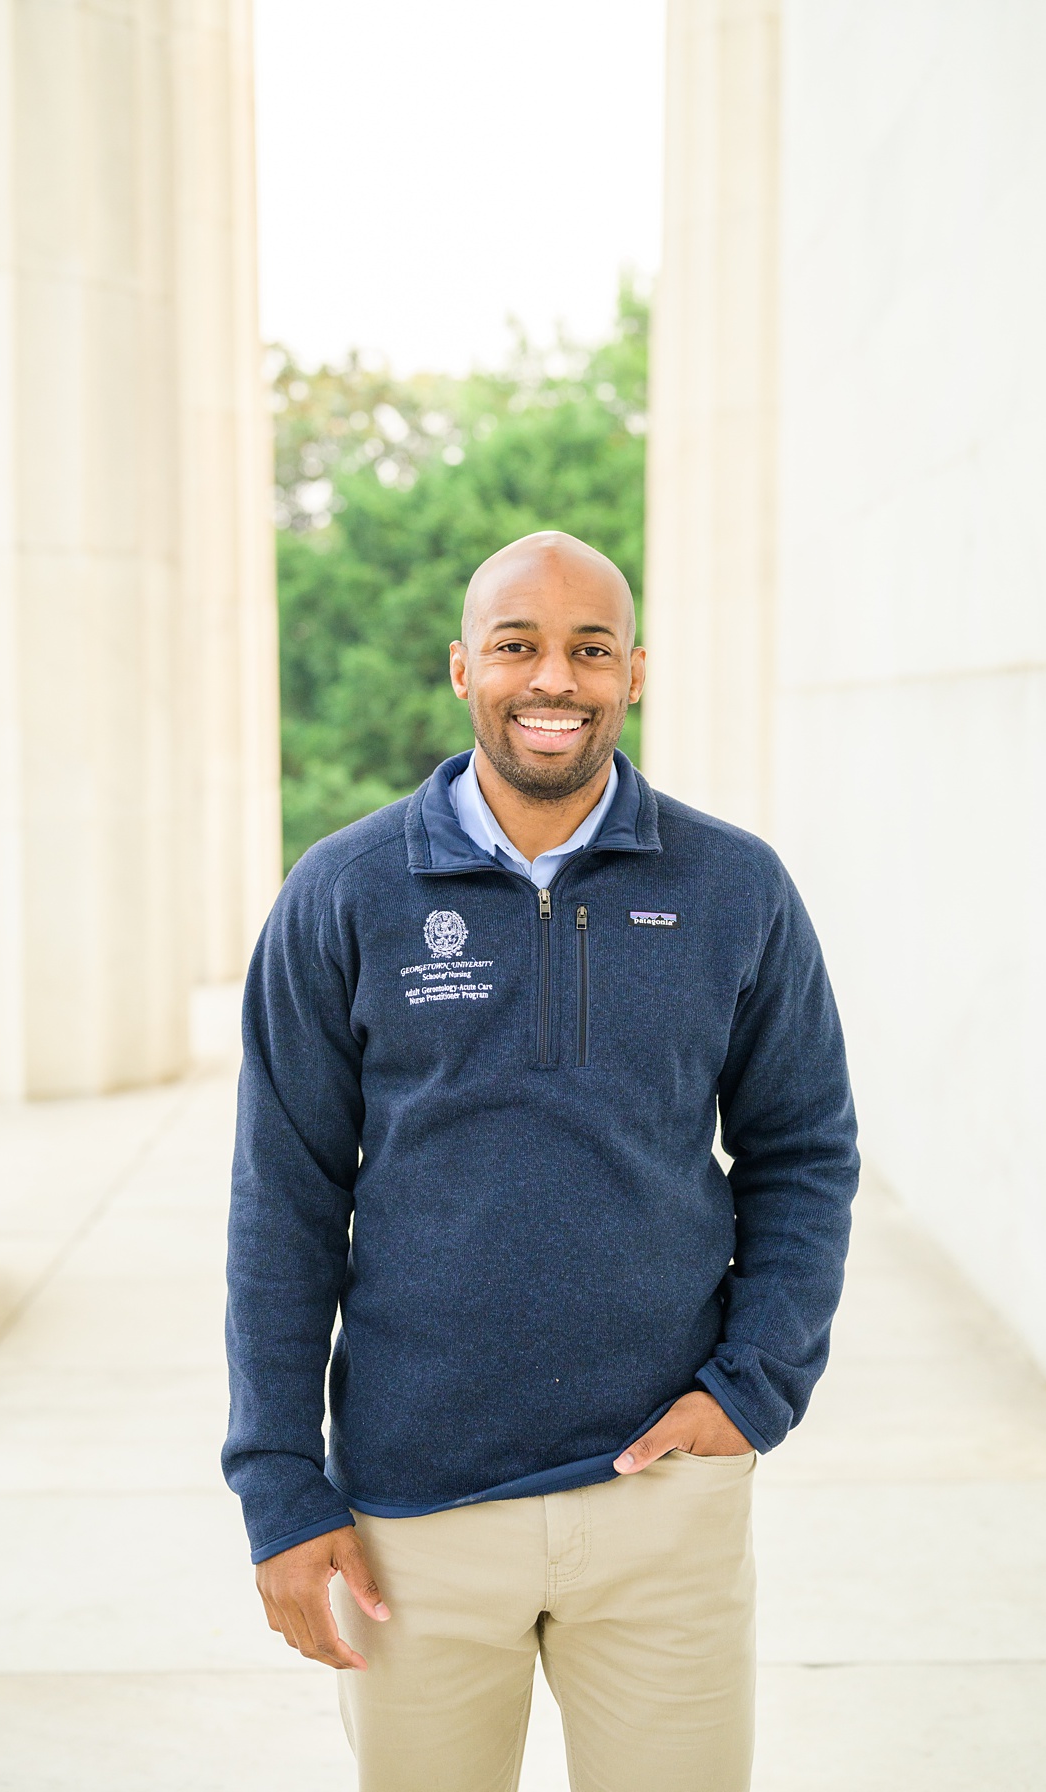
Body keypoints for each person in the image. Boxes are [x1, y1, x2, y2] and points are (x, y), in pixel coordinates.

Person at [223, 531, 858, 1791]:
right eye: (517, 645)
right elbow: (283, 1200)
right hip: (414, 1522)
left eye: (588, 648)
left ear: (635, 672)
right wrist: (282, 1485)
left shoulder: (737, 887)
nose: (552, 678)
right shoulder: (343, 892)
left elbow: (804, 1149)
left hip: (662, 1502)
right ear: (464, 667)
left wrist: (755, 1388)